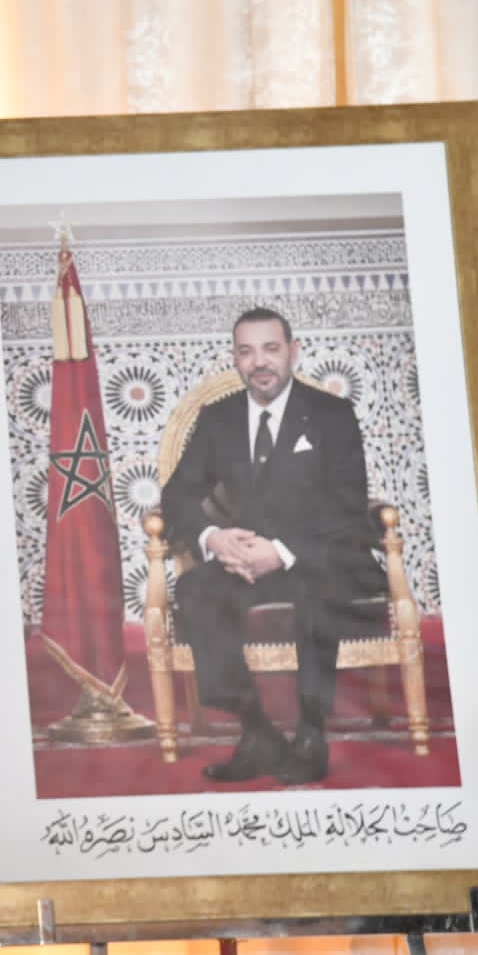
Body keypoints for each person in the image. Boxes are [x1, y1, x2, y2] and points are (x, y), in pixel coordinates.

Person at [160, 307, 384, 785]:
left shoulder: (332, 414)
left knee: (317, 588)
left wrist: (281, 551)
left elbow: (348, 507)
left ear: (292, 351)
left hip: (320, 556)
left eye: (270, 349)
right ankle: (256, 728)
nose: (259, 362)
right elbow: (177, 495)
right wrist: (214, 539)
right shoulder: (218, 418)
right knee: (197, 589)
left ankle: (311, 733)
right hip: (247, 563)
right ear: (235, 359)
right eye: (246, 352)